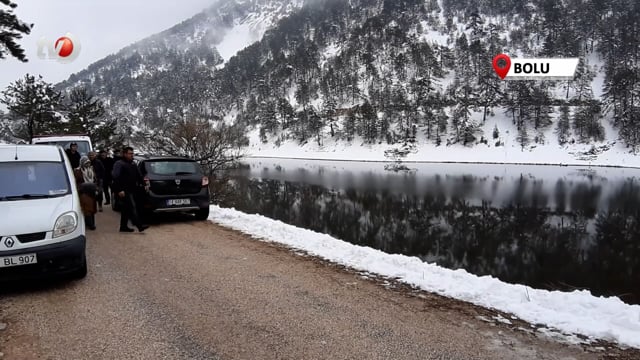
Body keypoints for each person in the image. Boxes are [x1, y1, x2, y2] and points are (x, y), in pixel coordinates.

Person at [112, 146, 148, 233]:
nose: (132, 155)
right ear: (124, 154)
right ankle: (140, 226)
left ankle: (123, 227)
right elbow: (115, 177)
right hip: (124, 190)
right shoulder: (119, 164)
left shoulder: (133, 164)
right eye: (130, 153)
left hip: (132, 189)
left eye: (132, 153)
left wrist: (144, 184)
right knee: (132, 207)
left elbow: (139, 176)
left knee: (126, 209)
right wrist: (119, 190)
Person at [74, 156, 99, 230]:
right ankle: (90, 224)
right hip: (84, 191)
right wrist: (81, 187)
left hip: (92, 190)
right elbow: (76, 181)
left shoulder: (91, 169)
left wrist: (96, 187)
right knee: (87, 208)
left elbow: (95, 179)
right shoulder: (78, 171)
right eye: (86, 163)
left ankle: (91, 223)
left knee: (93, 208)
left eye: (88, 163)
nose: (87, 164)